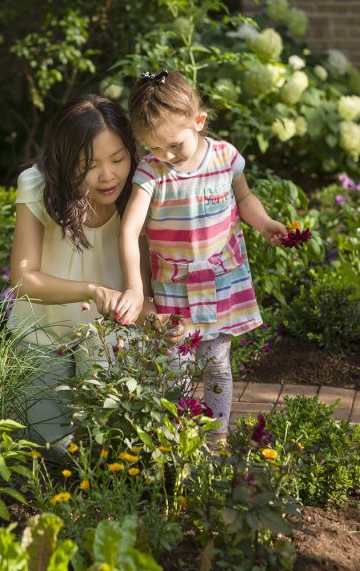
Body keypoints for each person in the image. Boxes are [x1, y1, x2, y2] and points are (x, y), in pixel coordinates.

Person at [116, 69, 287, 441]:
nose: (167, 155)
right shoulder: (152, 172)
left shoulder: (225, 157)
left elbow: (243, 198)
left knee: (217, 365)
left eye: (174, 145)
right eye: (154, 147)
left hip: (220, 282)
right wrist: (134, 287)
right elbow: (130, 230)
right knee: (175, 369)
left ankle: (217, 438)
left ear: (199, 121)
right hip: (175, 289)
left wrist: (263, 222)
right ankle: (177, 441)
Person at [9, 94, 181, 455]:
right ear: (65, 162)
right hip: (44, 340)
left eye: (118, 159)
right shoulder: (37, 186)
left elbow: (142, 294)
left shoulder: (141, 191)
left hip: (108, 343)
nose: (108, 175)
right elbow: (23, 280)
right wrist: (91, 290)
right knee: (52, 452)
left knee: (115, 447)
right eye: (90, 165)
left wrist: (163, 325)